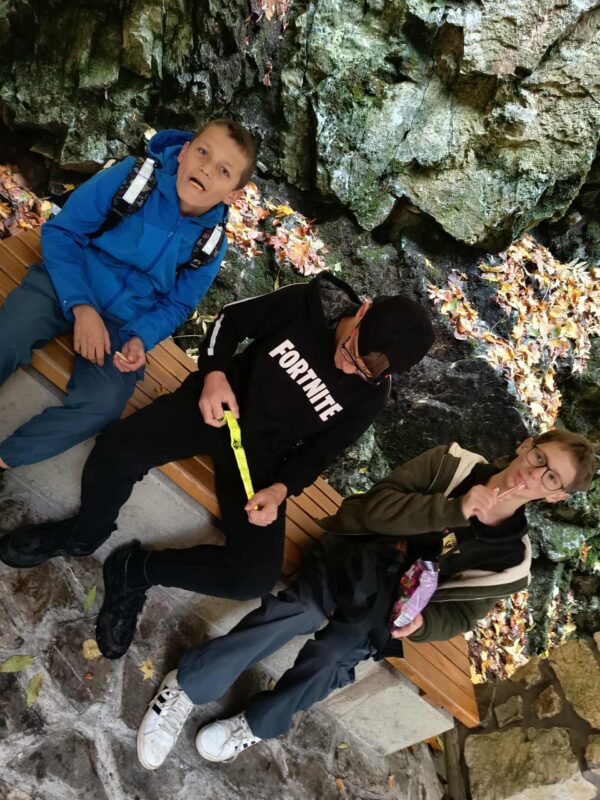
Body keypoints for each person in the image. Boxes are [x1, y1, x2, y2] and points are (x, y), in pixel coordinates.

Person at [0, 271, 435, 661]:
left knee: (254, 577)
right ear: (361, 312)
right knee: (117, 448)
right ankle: (84, 533)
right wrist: (214, 375)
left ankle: (136, 572)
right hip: (215, 406)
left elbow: (320, 453)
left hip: (263, 457)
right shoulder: (306, 304)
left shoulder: (371, 393)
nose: (346, 367)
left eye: (363, 372)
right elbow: (229, 323)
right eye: (351, 352)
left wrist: (280, 489)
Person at [131, 429, 595, 769]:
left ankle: (254, 725)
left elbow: (462, 614)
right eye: (539, 457)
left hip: (387, 604)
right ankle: (187, 686)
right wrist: (453, 509)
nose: (534, 474)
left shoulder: (512, 561)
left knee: (335, 658)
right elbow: (372, 508)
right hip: (352, 555)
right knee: (299, 611)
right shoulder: (451, 465)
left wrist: (423, 625)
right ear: (525, 445)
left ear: (556, 498)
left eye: (551, 478)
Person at [0, 118, 257, 471]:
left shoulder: (211, 243)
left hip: (122, 322)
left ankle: (6, 458)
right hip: (68, 280)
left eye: (224, 171)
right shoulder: (133, 178)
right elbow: (63, 233)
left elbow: (178, 304)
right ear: (183, 152)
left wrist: (140, 337)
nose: (206, 169)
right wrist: (82, 307)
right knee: (9, 335)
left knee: (103, 405)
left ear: (233, 194)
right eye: (202, 152)